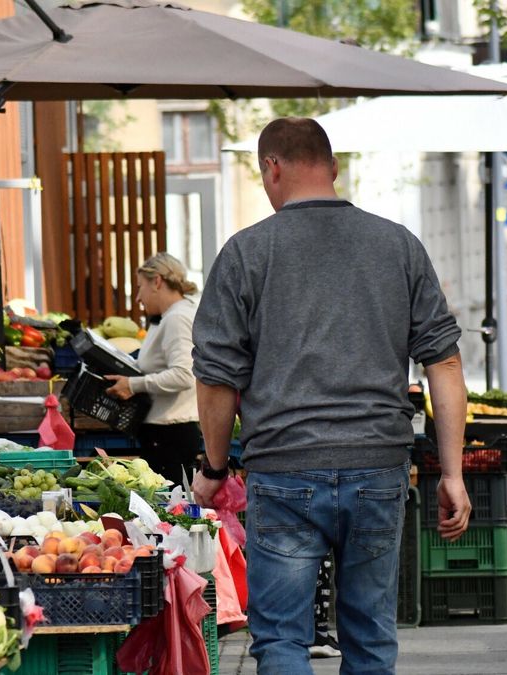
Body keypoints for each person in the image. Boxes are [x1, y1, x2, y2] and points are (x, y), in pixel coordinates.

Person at [191, 117, 471, 675]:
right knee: (369, 637)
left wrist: (216, 467)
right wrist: (453, 473)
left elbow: (217, 378)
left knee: (281, 641)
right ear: (334, 168)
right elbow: (444, 361)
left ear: (271, 167)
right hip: (377, 466)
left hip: (285, 469)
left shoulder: (246, 253)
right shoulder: (399, 247)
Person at [104, 252, 200, 481]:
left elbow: (184, 374)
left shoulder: (177, 318)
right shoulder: (171, 316)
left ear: (157, 281)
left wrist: (133, 384)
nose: (138, 297)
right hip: (166, 432)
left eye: (140, 287)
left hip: (169, 434)